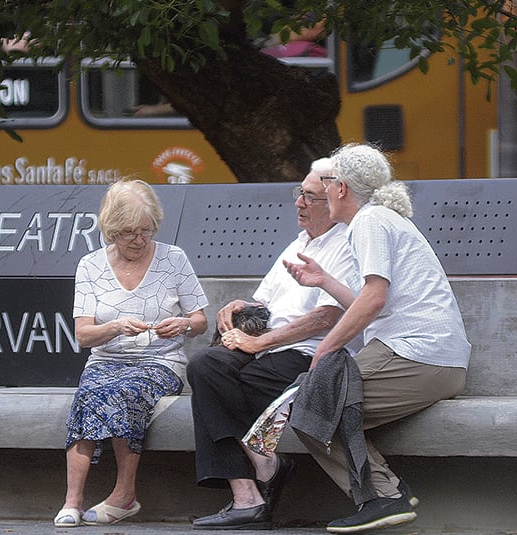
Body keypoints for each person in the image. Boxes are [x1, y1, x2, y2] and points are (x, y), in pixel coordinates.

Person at [284, 143, 471, 534]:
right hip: (429, 358)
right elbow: (372, 301)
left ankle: (383, 497)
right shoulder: (379, 220)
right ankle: (389, 491)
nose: (319, 190)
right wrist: (325, 281)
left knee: (311, 404)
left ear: (340, 188)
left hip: (415, 355)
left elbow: (374, 298)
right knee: (316, 401)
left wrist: (327, 345)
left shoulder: (370, 222)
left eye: (326, 181)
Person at [187, 158, 362, 530]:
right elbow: (266, 305)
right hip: (267, 348)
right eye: (299, 193)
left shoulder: (346, 244)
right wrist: (241, 307)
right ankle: (263, 468)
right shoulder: (297, 243)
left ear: (332, 200)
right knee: (205, 367)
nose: (298, 202)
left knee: (220, 392)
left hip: (308, 355)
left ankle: (246, 497)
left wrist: (258, 343)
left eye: (310, 197)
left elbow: (326, 317)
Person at [53, 179, 209, 528]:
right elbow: (83, 335)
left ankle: (124, 496)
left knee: (125, 391)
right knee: (90, 393)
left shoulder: (173, 258)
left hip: (160, 361)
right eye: (129, 233)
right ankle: (72, 501)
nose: (139, 240)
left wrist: (182, 324)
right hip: (107, 359)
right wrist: (116, 327)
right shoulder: (90, 266)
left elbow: (201, 321)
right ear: (111, 230)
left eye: (146, 231)